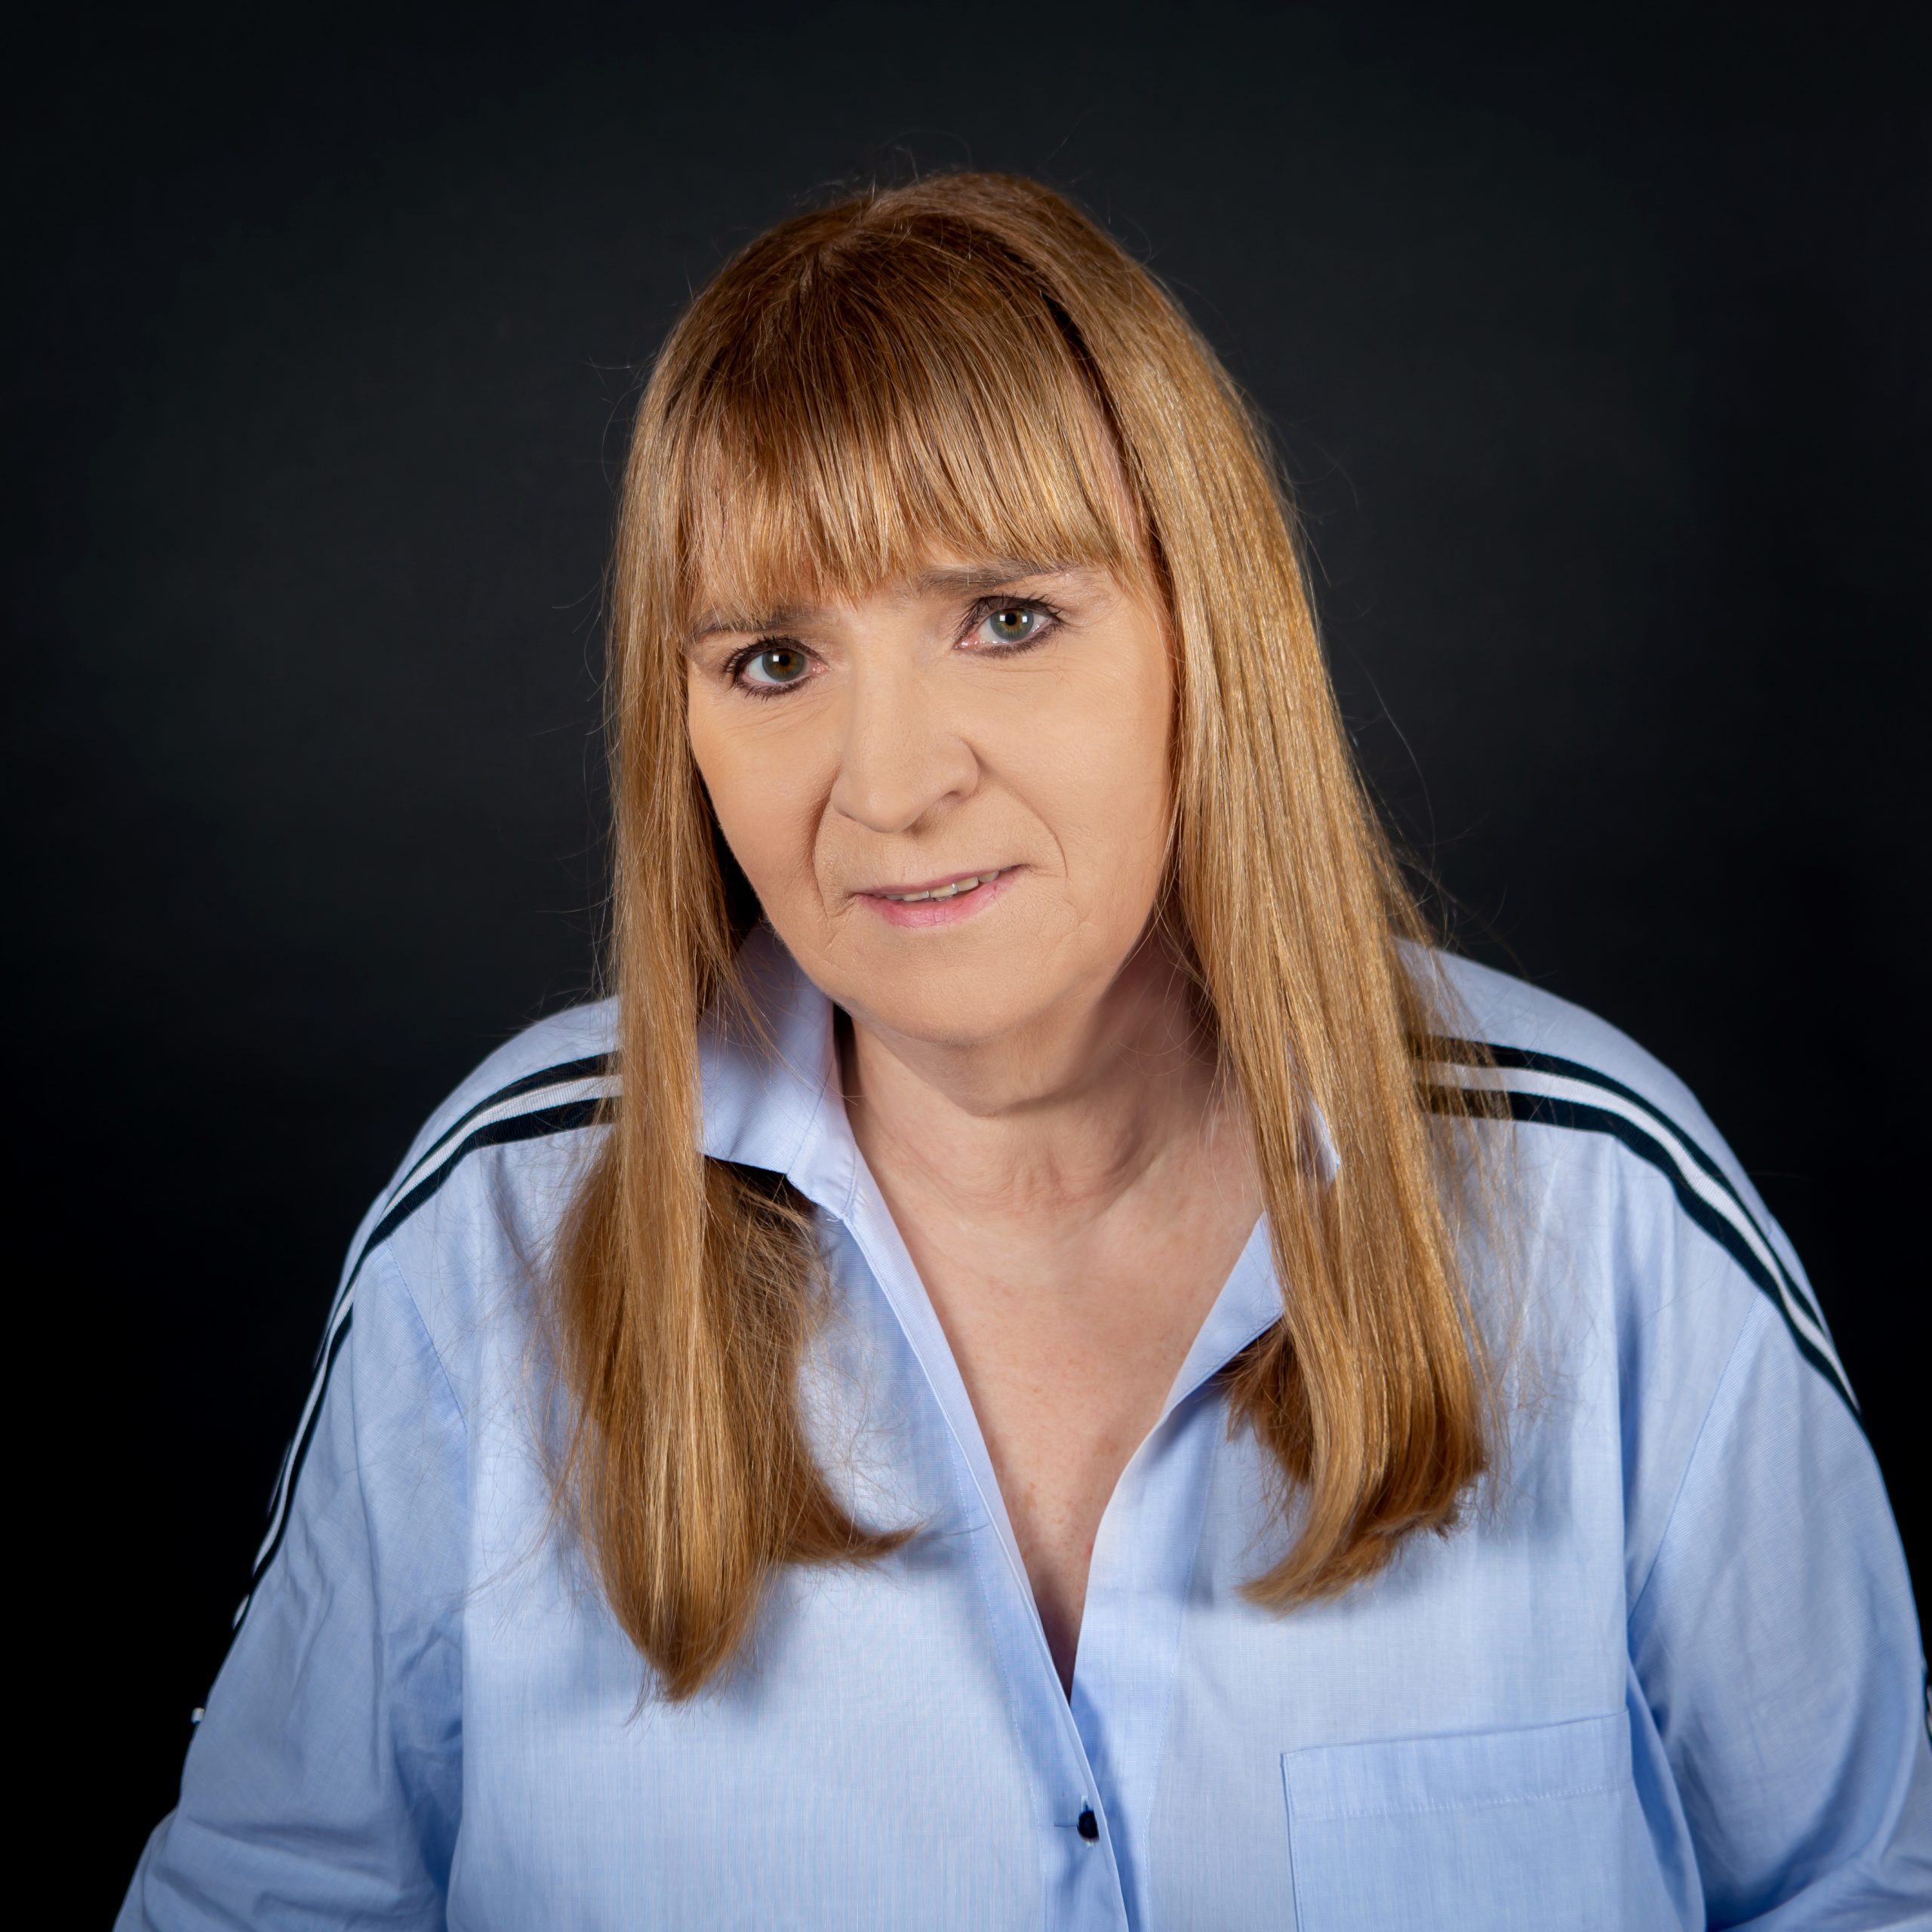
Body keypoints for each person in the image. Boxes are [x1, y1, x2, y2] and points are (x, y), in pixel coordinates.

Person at [118, 172, 1930, 1930]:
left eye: (1006, 618)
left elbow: (1870, 1887)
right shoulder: (496, 1234)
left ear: (1208, 640)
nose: (890, 783)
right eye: (770, 660)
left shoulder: (1601, 1208)